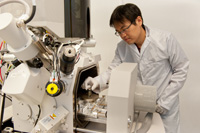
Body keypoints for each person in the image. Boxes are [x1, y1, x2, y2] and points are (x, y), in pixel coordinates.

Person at [81, 3, 189, 133]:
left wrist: (165, 101)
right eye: (118, 32)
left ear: (139, 20)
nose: (122, 35)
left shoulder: (165, 39)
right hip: (138, 105)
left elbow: (181, 69)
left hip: (166, 106)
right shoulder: (122, 47)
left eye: (124, 28)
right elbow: (113, 70)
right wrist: (96, 81)